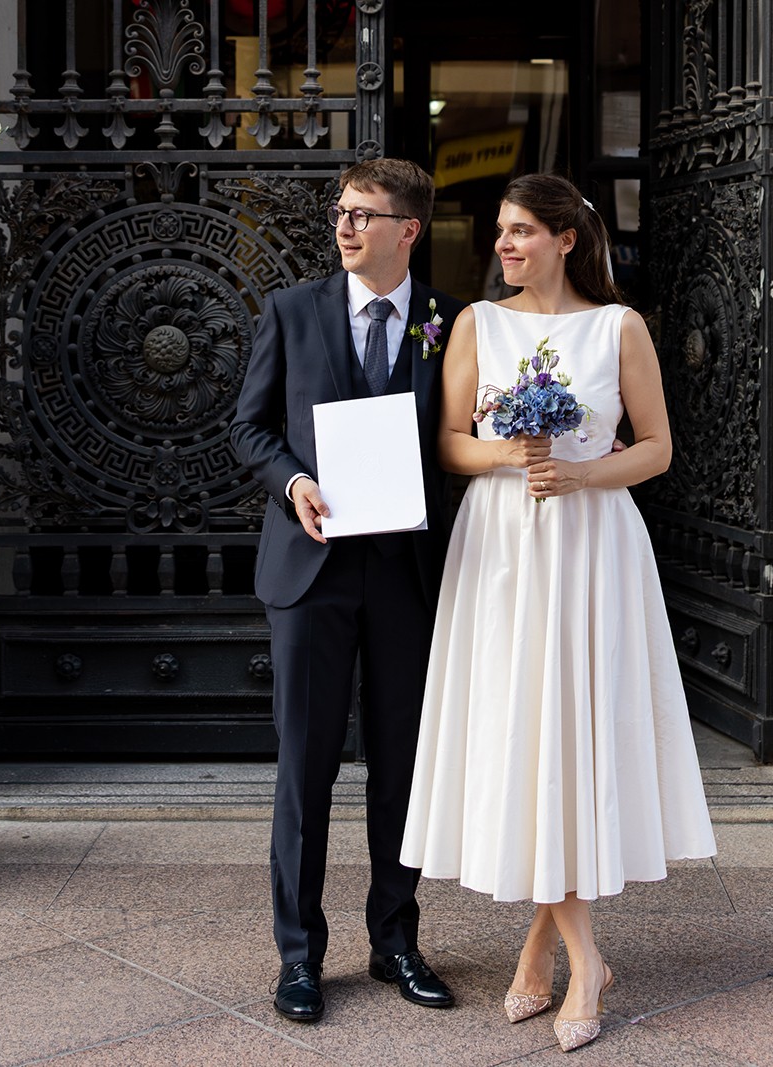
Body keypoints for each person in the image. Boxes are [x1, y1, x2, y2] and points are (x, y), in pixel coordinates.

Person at [399, 174, 717, 1053]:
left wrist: (580, 471)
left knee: (569, 733)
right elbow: (451, 443)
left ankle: (555, 951)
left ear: (567, 238)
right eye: (501, 232)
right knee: (525, 731)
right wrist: (514, 451)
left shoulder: (621, 328)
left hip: (591, 546)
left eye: (522, 231)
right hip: (503, 546)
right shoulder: (475, 323)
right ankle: (581, 953)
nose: (504, 245)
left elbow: (655, 450)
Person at [230, 158, 467, 1024]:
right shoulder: (293, 312)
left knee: (402, 766)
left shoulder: (447, 322)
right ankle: (299, 955)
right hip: (311, 569)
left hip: (404, 573)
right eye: (342, 211)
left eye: (365, 214)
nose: (346, 225)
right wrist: (293, 482)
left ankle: (396, 940)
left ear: (409, 229)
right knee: (306, 769)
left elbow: (460, 437)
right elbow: (249, 427)